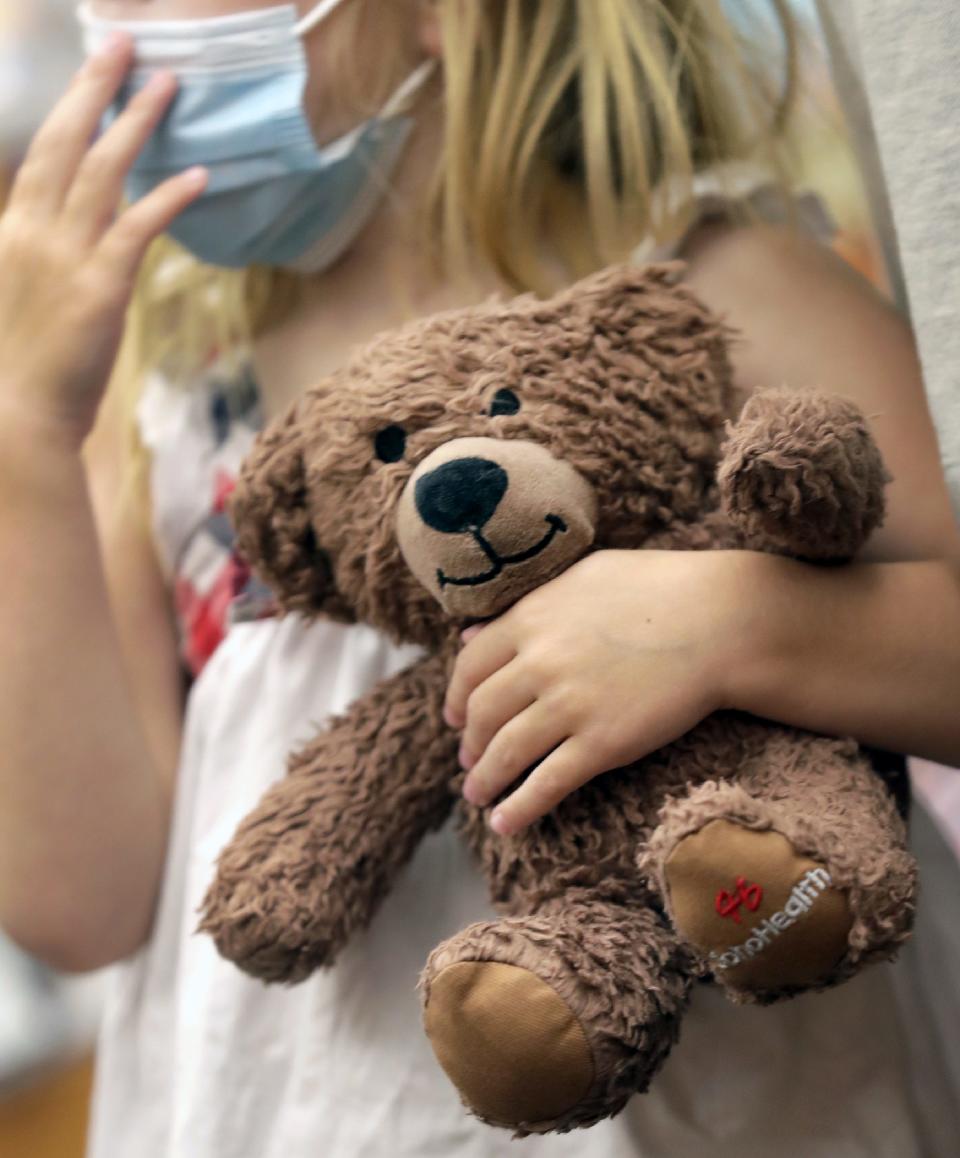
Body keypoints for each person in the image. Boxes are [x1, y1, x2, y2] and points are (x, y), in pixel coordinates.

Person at [0, 2, 958, 1156]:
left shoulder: (717, 293)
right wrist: (24, 432)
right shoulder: (166, 391)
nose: (114, 28)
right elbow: (81, 903)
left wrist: (738, 624)